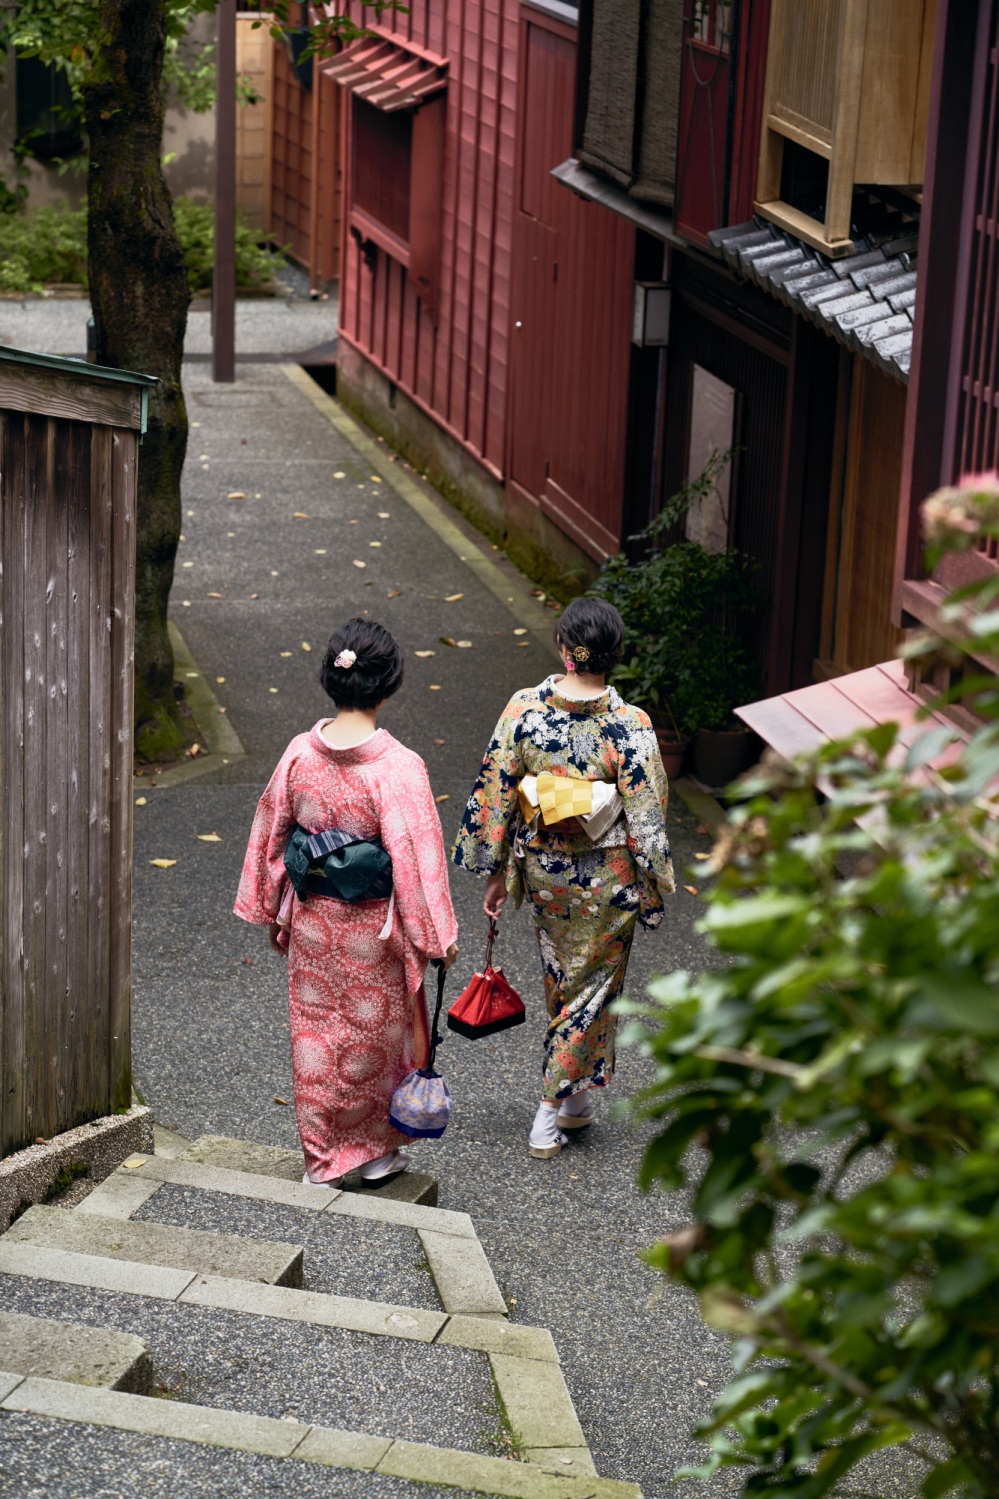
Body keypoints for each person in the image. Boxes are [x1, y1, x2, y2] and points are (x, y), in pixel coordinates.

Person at [234, 618, 458, 1187]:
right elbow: (416, 861)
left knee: (314, 1039)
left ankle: (320, 1156)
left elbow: (271, 830)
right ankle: (376, 1153)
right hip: (371, 937)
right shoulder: (397, 768)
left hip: (313, 924)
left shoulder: (298, 754)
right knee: (372, 1043)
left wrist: (268, 905)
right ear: (389, 685)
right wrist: (437, 940)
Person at [451, 597, 674, 1159]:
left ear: (562, 648)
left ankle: (574, 1104)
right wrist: (654, 883)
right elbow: (646, 816)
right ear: (614, 655)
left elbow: (496, 789)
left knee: (564, 982)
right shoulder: (630, 726)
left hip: (546, 873)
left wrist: (495, 872)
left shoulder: (524, 710)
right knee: (590, 992)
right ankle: (547, 1113)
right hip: (608, 878)